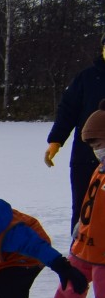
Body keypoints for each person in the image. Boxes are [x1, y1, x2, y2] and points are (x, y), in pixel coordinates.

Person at [35, 100, 105, 298]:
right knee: (71, 277)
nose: (97, 151)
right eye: (94, 146)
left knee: (104, 290)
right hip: (86, 241)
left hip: (104, 250)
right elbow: (91, 201)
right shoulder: (100, 170)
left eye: (99, 144)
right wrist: (80, 226)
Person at [44, 34, 105, 228]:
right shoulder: (87, 78)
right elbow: (67, 110)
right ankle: (79, 253)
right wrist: (56, 140)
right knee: (84, 207)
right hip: (86, 155)